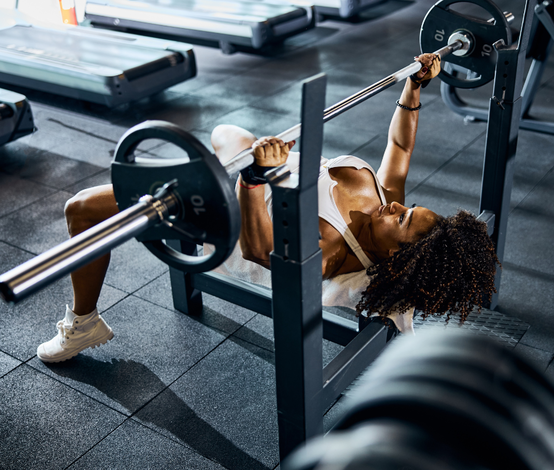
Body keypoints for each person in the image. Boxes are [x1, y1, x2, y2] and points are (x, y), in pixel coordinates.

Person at [36, 53, 499, 363]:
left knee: (80, 209)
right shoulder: (382, 202)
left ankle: (83, 323)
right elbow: (399, 146)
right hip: (266, 161)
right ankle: (217, 165)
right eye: (407, 206)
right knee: (228, 133)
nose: (396, 205)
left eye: (401, 219)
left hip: (230, 205)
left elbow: (259, 249)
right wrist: (414, 88)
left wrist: (254, 179)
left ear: (398, 256)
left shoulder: (334, 249)